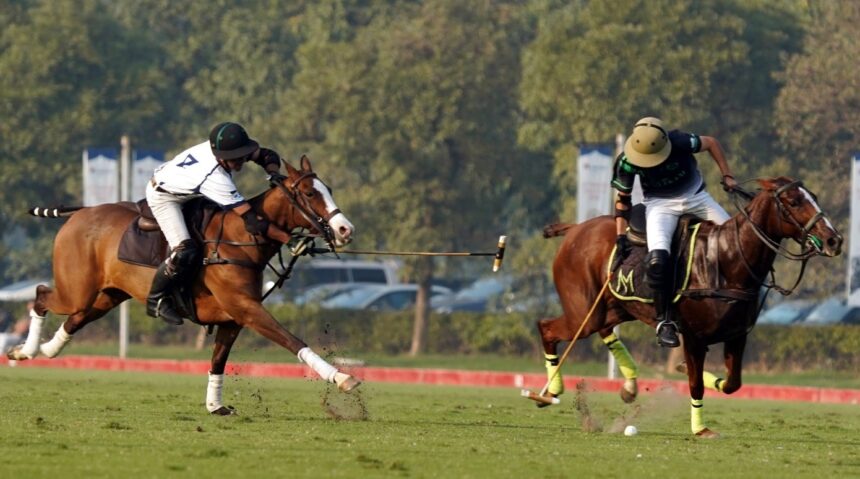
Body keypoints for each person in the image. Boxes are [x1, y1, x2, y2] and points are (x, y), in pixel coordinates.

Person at [145, 122, 293, 325]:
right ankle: (156, 300)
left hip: (188, 189)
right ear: (222, 157)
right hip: (165, 197)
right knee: (185, 251)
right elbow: (252, 223)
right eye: (236, 159)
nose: (242, 161)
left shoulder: (223, 149)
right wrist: (288, 240)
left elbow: (267, 155)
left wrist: (274, 173)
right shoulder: (214, 177)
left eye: (243, 155)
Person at [610, 117, 737, 348]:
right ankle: (664, 322)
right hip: (659, 205)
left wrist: (727, 175)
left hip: (696, 197)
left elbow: (711, 143)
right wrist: (620, 237)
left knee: (735, 244)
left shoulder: (679, 141)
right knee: (657, 261)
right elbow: (623, 201)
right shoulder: (626, 161)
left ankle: (741, 301)